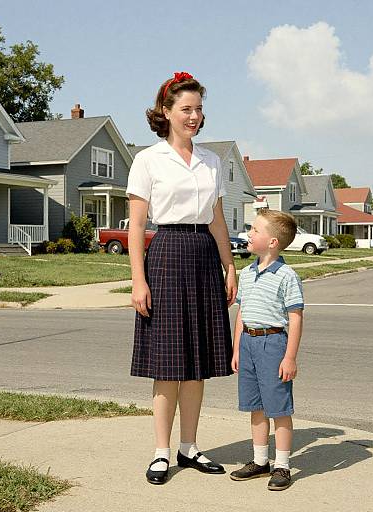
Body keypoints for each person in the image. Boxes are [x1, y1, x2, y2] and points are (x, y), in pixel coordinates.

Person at [126, 72, 237, 485]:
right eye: (186, 109)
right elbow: (137, 226)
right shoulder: (147, 160)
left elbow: (218, 220)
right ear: (166, 112)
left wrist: (229, 266)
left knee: (197, 366)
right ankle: (160, 452)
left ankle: (189, 448)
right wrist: (139, 280)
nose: (194, 116)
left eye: (199, 109)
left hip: (204, 255)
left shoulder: (212, 160)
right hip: (167, 253)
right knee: (168, 363)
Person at [229, 209, 304, 491]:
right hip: (248, 343)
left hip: (274, 345)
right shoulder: (247, 274)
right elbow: (242, 314)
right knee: (256, 407)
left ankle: (282, 465)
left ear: (272, 241)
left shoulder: (287, 276)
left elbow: (295, 317)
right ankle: (260, 461)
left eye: (255, 230)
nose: (249, 233)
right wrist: (237, 349)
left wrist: (290, 356)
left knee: (279, 408)